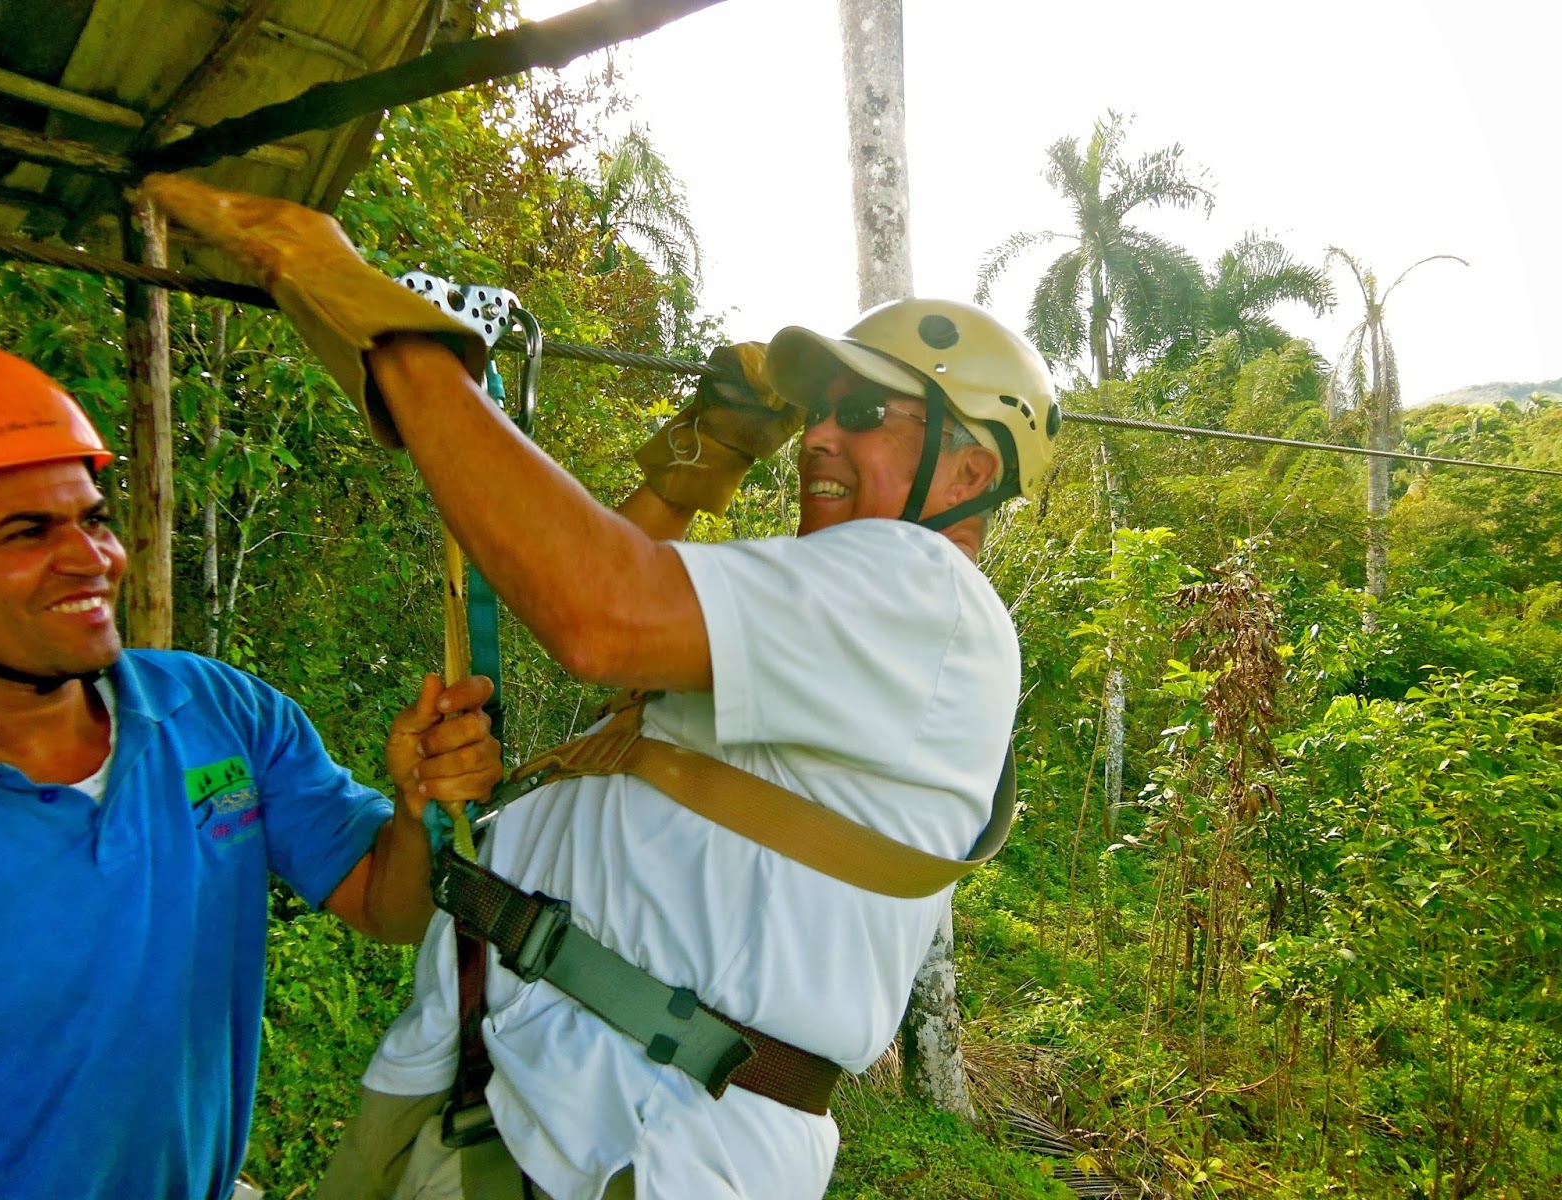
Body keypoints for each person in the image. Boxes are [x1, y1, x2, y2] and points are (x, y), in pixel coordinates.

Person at [141, 173, 1061, 1200]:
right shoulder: (861, 616)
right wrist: (693, 465)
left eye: (861, 412)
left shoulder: (920, 588)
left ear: (970, 474)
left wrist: (362, 303)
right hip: (534, 1086)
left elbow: (597, 613)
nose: (817, 436)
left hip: (621, 1137)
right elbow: (588, 585)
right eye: (817, 411)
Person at [0, 339, 505, 1200]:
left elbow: (386, 906)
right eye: (28, 532)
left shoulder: (217, 713)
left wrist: (418, 805)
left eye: (94, 519)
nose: (93, 558)